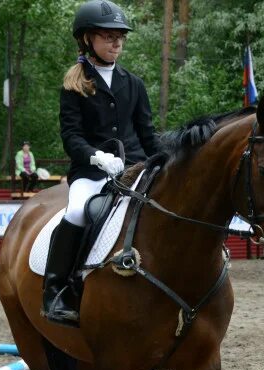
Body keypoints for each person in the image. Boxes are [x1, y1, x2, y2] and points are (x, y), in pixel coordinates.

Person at [42, 0, 159, 327]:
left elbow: (147, 134)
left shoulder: (133, 83)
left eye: (120, 37)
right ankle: (56, 290)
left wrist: (167, 157)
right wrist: (96, 156)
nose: (117, 43)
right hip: (91, 170)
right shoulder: (74, 84)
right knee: (79, 211)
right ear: (87, 40)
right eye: (108, 37)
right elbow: (71, 135)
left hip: (136, 167)